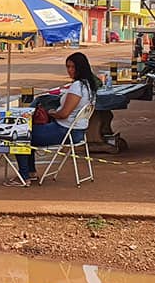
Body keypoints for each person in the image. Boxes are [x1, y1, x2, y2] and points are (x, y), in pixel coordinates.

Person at [10, 52, 99, 186]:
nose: (69, 70)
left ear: (81, 68)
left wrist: (51, 113)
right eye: (68, 67)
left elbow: (64, 114)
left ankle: (23, 176)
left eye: (72, 67)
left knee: (20, 136)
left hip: (65, 131)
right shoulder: (89, 87)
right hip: (78, 132)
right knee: (30, 131)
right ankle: (31, 172)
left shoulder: (77, 87)